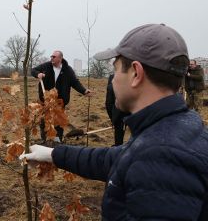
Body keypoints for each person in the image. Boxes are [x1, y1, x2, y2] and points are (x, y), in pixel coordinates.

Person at [20, 24, 208, 220]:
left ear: (136, 73)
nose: (112, 81)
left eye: (116, 70)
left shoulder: (161, 159)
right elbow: (114, 159)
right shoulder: (177, 126)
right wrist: (53, 154)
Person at [31, 50, 92, 143]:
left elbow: (75, 82)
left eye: (54, 57)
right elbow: (33, 70)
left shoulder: (68, 70)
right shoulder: (46, 66)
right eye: (51, 56)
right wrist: (37, 74)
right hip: (46, 100)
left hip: (60, 101)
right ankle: (44, 139)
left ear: (60, 58)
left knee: (59, 121)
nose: (51, 58)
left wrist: (84, 91)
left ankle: (57, 140)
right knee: (44, 120)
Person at [105, 73, 130, 146]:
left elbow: (108, 104)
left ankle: (118, 149)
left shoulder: (111, 83)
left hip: (118, 115)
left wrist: (113, 118)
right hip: (132, 113)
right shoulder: (132, 79)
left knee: (118, 140)